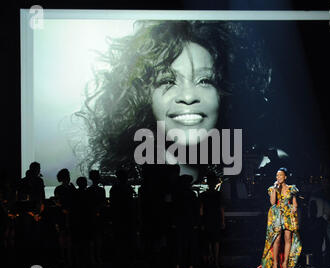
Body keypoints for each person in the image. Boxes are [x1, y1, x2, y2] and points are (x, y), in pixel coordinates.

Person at [74, 20, 272, 183]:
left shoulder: (259, 170)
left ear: (226, 93)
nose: (188, 96)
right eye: (168, 81)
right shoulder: (122, 179)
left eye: (204, 80)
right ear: (142, 97)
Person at [261, 167, 302, 268]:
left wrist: (294, 209)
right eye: (277, 175)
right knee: (277, 239)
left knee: (288, 238)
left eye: (280, 175)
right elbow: (273, 202)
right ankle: (275, 264)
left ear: (285, 177)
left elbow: (294, 203)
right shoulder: (272, 188)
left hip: (288, 215)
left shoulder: (291, 188)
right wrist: (275, 188)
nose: (278, 177)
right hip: (277, 215)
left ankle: (285, 263)